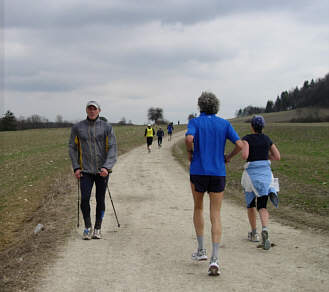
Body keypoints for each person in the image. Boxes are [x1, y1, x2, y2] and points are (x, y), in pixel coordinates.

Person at [185, 92, 243, 276]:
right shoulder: (224, 123)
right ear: (216, 106)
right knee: (216, 214)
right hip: (218, 172)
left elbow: (188, 139)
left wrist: (191, 153)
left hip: (198, 171)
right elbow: (240, 145)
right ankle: (215, 259)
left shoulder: (195, 122)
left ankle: (201, 250)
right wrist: (228, 157)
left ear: (200, 106)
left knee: (198, 209)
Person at [69, 101, 117, 240]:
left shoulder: (107, 127)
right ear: (86, 110)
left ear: (99, 110)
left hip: (102, 171)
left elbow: (113, 148)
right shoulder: (78, 127)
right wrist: (76, 167)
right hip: (85, 171)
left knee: (100, 199)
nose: (91, 111)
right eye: (89, 108)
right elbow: (72, 147)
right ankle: (87, 227)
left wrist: (107, 167)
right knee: (84, 199)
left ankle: (98, 228)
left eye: (94, 109)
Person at [240, 115, 280, 250]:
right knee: (262, 206)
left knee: (250, 204)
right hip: (266, 174)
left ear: (252, 126)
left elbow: (244, 156)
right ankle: (265, 228)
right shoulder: (267, 139)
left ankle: (254, 233)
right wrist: (265, 155)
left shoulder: (247, 139)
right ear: (263, 126)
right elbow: (277, 156)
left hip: (251, 174)